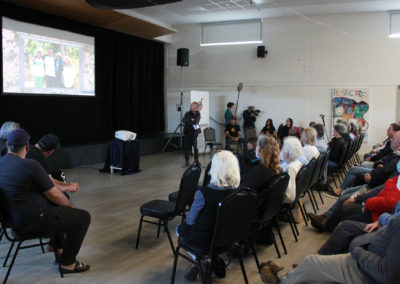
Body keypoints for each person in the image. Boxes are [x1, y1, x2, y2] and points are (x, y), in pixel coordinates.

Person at [0, 129, 91, 274]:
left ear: (7, 144)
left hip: (12, 222)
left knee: (58, 209)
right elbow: (54, 194)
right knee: (82, 217)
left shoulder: (2, 163)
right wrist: (71, 206)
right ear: (28, 146)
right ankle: (68, 263)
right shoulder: (30, 165)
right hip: (31, 223)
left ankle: (60, 250)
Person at [260, 216, 400, 284]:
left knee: (311, 261)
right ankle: (298, 272)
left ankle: (281, 278)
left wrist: (358, 250)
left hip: (363, 270)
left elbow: (389, 274)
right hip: (365, 261)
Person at [177, 150, 240, 281]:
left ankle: (201, 261)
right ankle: (210, 259)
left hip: (205, 240)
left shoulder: (204, 193)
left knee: (179, 229)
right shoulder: (239, 193)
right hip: (228, 240)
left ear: (214, 168)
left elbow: (190, 221)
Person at [327, 131, 400, 197]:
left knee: (354, 169)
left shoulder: (397, 155)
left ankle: (339, 191)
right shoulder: (394, 152)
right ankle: (345, 190)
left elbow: (384, 169)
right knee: (363, 162)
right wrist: (378, 163)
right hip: (377, 168)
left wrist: (376, 164)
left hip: (376, 175)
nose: (391, 140)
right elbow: (383, 159)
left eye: (393, 139)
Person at [318, 200, 400, 255]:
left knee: (346, 225)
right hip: (382, 222)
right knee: (346, 197)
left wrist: (382, 216)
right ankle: (325, 219)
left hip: (384, 227)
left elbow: (390, 204)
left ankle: (323, 258)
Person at [281, 137, 303, 204]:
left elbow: (289, 197)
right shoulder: (298, 163)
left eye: (282, 149)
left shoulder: (289, 169)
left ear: (286, 153)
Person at [182, 102, 201, 167]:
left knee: (195, 147)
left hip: (194, 133)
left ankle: (196, 159)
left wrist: (189, 120)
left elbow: (196, 121)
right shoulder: (187, 113)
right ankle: (187, 161)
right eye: (190, 105)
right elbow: (183, 120)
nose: (190, 106)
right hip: (187, 132)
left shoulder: (198, 113)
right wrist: (191, 120)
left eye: (192, 105)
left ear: (195, 107)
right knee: (186, 147)